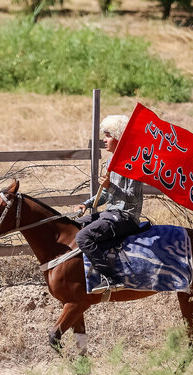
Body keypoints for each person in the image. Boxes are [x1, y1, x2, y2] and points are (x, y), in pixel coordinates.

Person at [74, 114, 144, 289]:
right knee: (73, 225)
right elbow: (104, 195)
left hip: (126, 218)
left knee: (83, 236)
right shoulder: (110, 162)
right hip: (110, 214)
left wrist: (111, 186)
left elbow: (133, 199)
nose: (104, 140)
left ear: (119, 137)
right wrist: (87, 204)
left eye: (108, 136)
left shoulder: (132, 164)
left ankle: (111, 277)